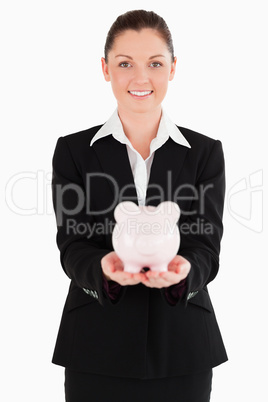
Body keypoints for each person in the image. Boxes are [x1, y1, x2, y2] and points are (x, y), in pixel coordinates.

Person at [51, 9, 228, 402]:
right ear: (105, 68)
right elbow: (72, 244)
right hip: (96, 345)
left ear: (173, 68)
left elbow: (207, 247)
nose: (141, 77)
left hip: (182, 346)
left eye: (155, 63)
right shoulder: (74, 152)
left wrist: (185, 272)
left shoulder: (204, 153)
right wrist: (102, 270)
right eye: (125, 63)